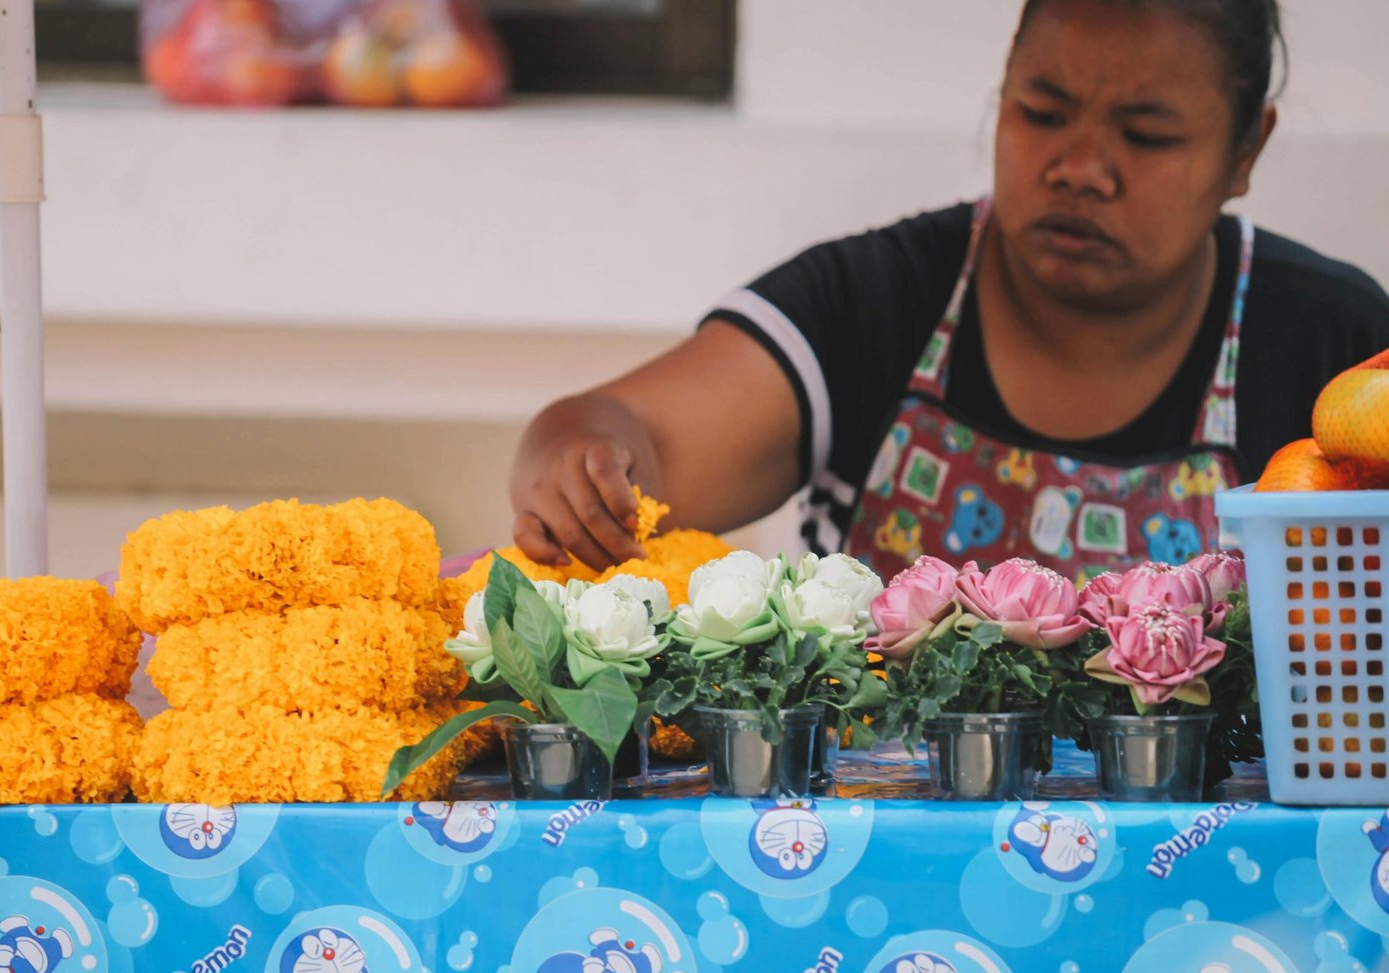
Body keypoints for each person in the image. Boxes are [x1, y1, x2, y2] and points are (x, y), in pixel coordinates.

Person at [507, 0, 1389, 583]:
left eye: (1147, 135)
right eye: (1041, 113)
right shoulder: (878, 302)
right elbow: (638, 438)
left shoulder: (1334, 346)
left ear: (1246, 152)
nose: (1079, 168)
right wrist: (581, 459)